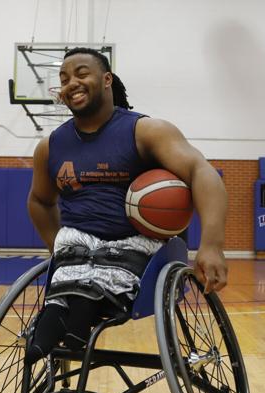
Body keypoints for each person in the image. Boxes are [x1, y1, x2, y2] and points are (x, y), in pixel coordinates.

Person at [24, 47, 228, 364]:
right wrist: (57, 247)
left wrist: (212, 244)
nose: (71, 84)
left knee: (95, 282)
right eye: (64, 79)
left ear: (107, 80)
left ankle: (74, 313)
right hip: (80, 244)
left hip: (137, 248)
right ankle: (63, 311)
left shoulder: (146, 131)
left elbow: (203, 172)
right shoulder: (50, 146)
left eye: (81, 73)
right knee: (70, 254)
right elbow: (39, 200)